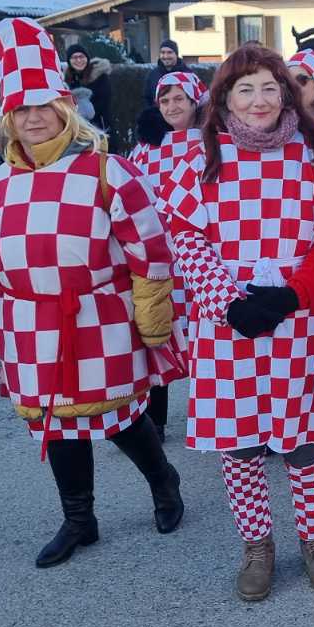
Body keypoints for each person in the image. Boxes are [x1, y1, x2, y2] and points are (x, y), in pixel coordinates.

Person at [0, 18, 185, 569]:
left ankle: (163, 480)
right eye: (21, 109)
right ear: (8, 119)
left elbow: (149, 252)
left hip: (98, 315)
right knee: (55, 419)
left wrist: (152, 321)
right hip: (30, 324)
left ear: (65, 108)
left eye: (43, 105)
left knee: (117, 415)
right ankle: (79, 519)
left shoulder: (107, 173)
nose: (33, 117)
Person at [157, 43, 314, 601]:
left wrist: (292, 296)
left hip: (297, 317)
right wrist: (227, 300)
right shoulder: (196, 157)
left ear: (286, 92)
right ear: (225, 98)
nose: (258, 100)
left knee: (304, 437)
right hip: (226, 321)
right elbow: (184, 236)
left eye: (269, 87)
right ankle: (257, 544)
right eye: (245, 89)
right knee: (239, 442)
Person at [129, 69, 208, 439]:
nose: (172, 106)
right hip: (159, 255)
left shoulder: (214, 141)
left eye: (179, 98)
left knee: (208, 337)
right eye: (165, 99)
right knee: (157, 332)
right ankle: (154, 420)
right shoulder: (146, 147)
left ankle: (213, 413)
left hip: (203, 254)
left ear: (195, 101)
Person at [64, 44, 113, 133]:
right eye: (74, 58)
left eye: (81, 57)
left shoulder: (99, 76)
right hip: (74, 127)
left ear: (87, 58)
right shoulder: (68, 79)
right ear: (69, 61)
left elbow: (103, 104)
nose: (78, 60)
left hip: (99, 127)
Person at [143, 39, 182, 103]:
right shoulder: (153, 75)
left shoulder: (186, 73)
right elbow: (147, 98)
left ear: (176, 54)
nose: (166, 56)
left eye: (169, 52)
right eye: (163, 52)